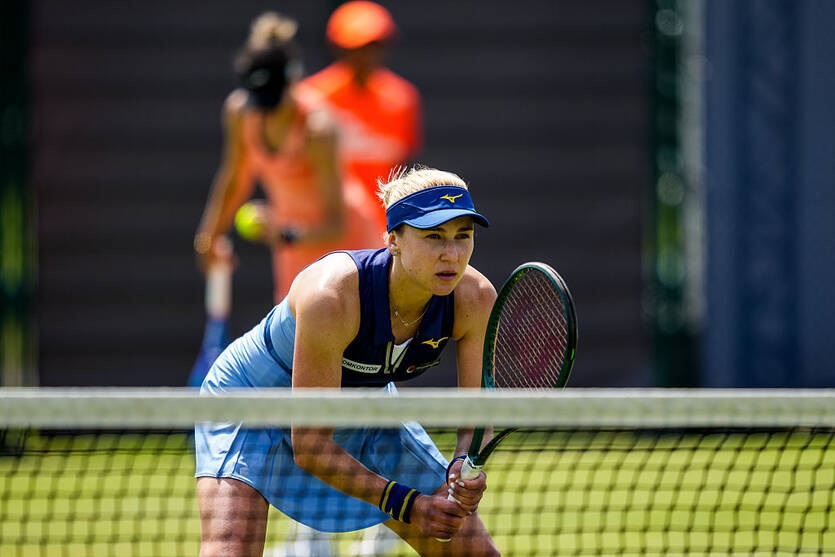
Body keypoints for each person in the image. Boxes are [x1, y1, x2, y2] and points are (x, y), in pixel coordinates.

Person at [195, 166, 501, 557]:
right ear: (393, 240)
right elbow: (310, 445)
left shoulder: (475, 298)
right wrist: (407, 504)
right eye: (433, 236)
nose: (452, 254)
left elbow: (476, 419)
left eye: (463, 236)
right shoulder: (332, 297)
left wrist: (463, 461)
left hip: (363, 409)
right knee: (229, 551)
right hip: (252, 403)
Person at [193, 11, 382, 303]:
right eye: (259, 100)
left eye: (273, 99)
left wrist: (284, 234)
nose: (266, 112)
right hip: (292, 250)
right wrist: (209, 239)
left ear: (293, 80)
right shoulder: (239, 112)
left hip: (348, 251)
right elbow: (235, 177)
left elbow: (336, 225)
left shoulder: (317, 129)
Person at [298, 1, 422, 235]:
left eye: (375, 46)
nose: (366, 56)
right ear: (339, 48)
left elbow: (404, 164)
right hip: (326, 230)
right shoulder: (313, 97)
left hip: (382, 229)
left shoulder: (402, 98)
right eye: (357, 47)